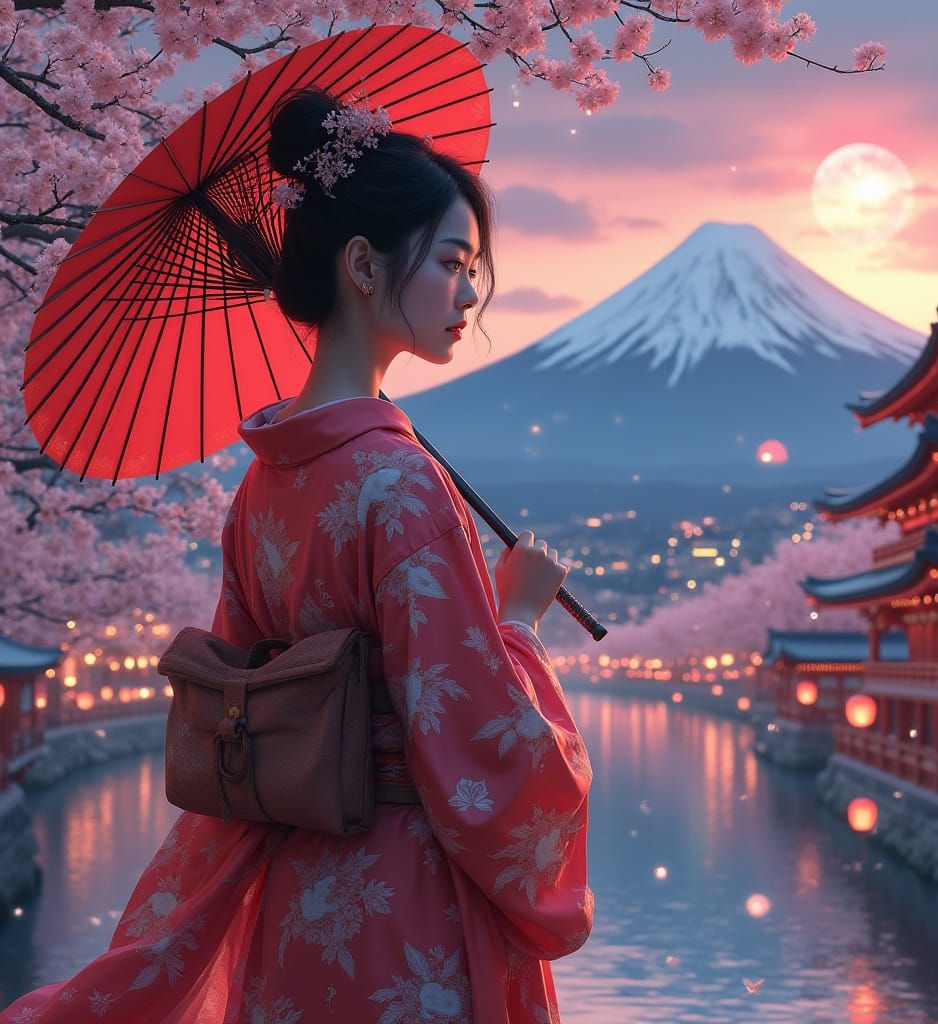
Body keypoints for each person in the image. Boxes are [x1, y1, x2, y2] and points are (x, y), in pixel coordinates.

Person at [0, 85, 593, 1024]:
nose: (471, 295)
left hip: (295, 896)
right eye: (451, 262)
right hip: (407, 903)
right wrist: (515, 620)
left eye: (474, 267)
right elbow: (480, 753)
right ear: (362, 263)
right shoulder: (400, 487)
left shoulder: (264, 484)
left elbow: (241, 721)